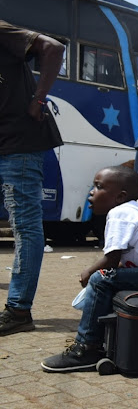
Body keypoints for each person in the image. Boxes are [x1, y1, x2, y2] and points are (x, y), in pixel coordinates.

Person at [40, 166, 138, 372]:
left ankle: (86, 348)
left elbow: (112, 258)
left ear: (120, 196)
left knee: (101, 279)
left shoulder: (120, 212)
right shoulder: (137, 211)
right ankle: (103, 337)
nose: (91, 192)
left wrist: (89, 272)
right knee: (112, 278)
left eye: (98, 187)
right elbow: (125, 260)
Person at [0, 20, 64, 336]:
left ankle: (18, 310)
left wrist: (38, 101)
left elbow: (53, 47)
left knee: (25, 225)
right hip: (5, 142)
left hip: (20, 141)